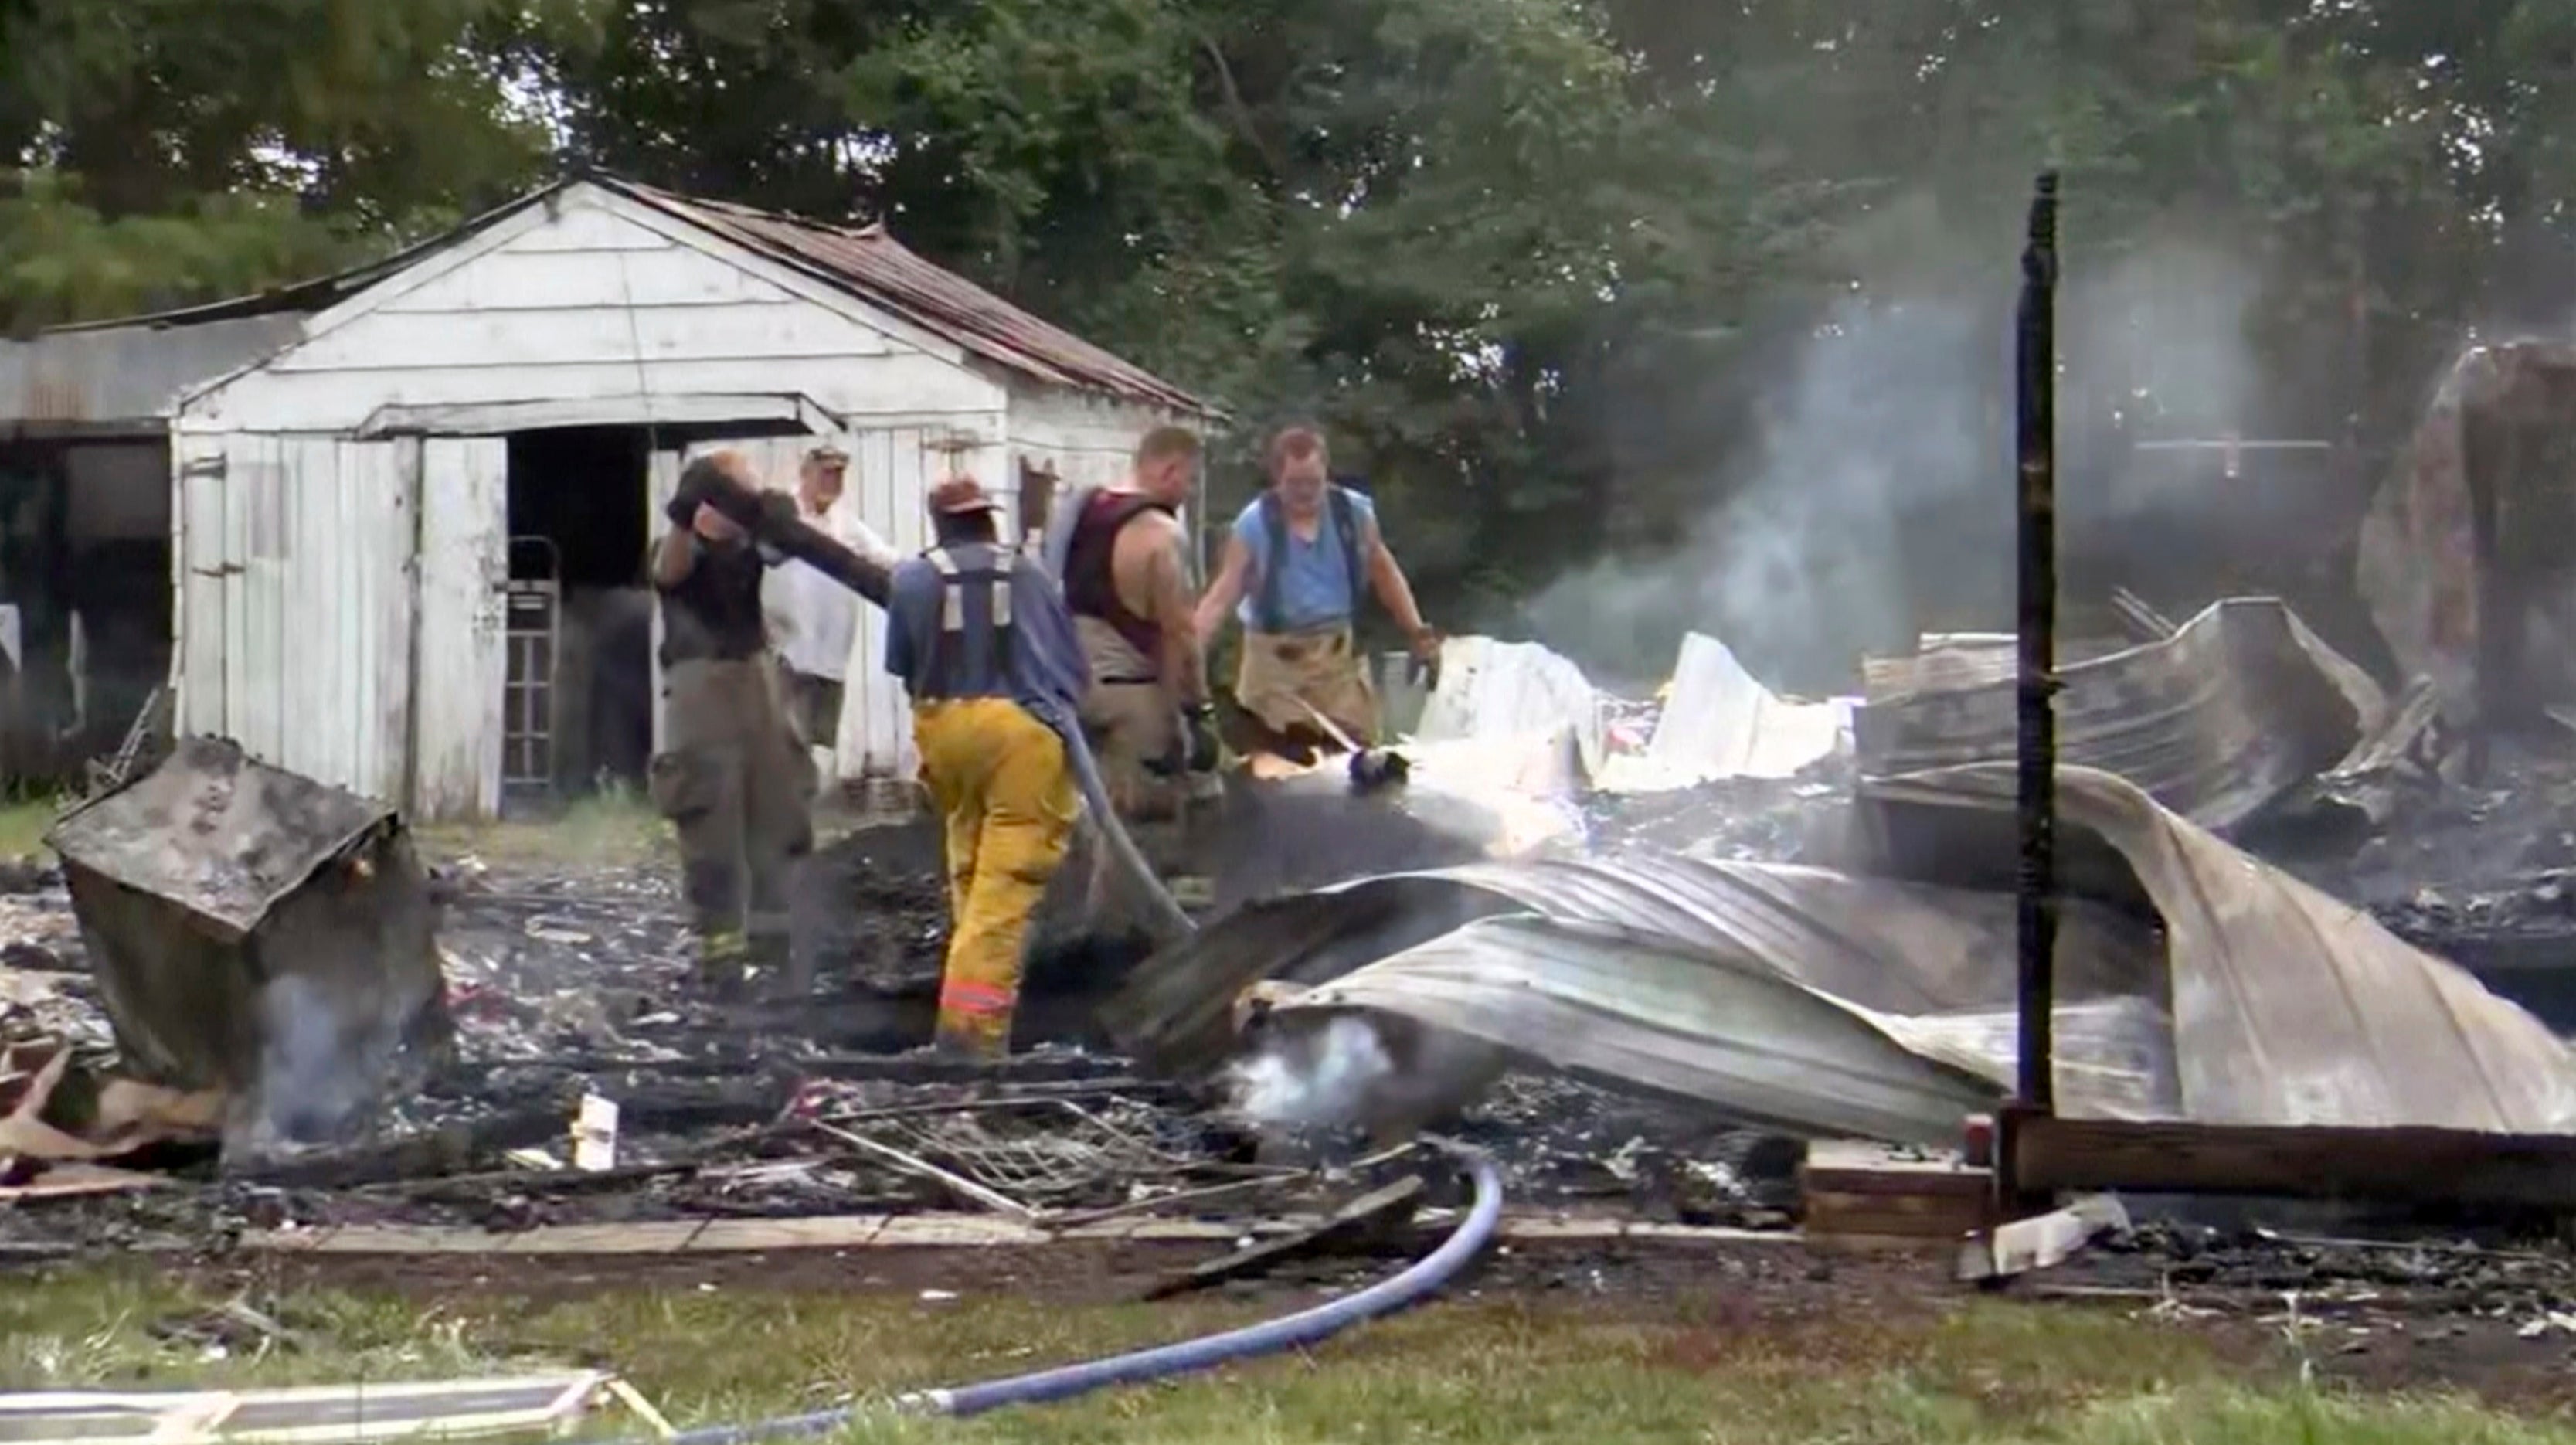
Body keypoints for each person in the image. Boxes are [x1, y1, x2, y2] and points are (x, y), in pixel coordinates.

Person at [885, 474, 1090, 1059]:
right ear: (987, 518)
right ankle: (971, 1040)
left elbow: (902, 666)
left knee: (972, 871)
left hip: (943, 730)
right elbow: (1067, 667)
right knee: (1006, 886)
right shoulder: (1028, 575)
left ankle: (965, 1010)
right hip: (1020, 734)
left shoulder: (911, 578)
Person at [646, 450, 817, 994]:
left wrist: (778, 514)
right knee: (710, 820)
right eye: (732, 495)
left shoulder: (751, 547)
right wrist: (680, 519)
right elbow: (666, 574)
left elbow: (783, 552)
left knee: (779, 808)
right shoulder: (680, 547)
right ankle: (720, 960)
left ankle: (774, 949)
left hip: (757, 678)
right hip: (702, 687)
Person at [1194, 426, 1439, 755]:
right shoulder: (1253, 525)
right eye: (1295, 484)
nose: (1305, 492)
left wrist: (1418, 633)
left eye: (1313, 482)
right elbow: (1221, 596)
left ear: (1326, 472)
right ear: (1277, 478)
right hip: (1275, 668)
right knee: (1276, 769)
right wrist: (1187, 654)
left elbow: (1385, 571)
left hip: (1337, 664)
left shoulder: (1353, 514)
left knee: (1357, 763)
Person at [1057, 426, 1219, 818]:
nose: (1189, 493)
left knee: (1085, 823)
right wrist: (1199, 711)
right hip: (1133, 700)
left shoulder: (1079, 516)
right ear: (1170, 470)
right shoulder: (1160, 535)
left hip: (1071, 693)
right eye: (1190, 479)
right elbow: (1179, 632)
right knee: (1146, 828)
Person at [760, 444, 873, 756]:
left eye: (839, 475)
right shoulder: (784, 516)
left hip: (831, 655)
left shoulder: (844, 523)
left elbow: (884, 557)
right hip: (789, 651)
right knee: (785, 737)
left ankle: (813, 804)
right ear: (806, 472)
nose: (833, 482)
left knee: (820, 744)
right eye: (826, 473)